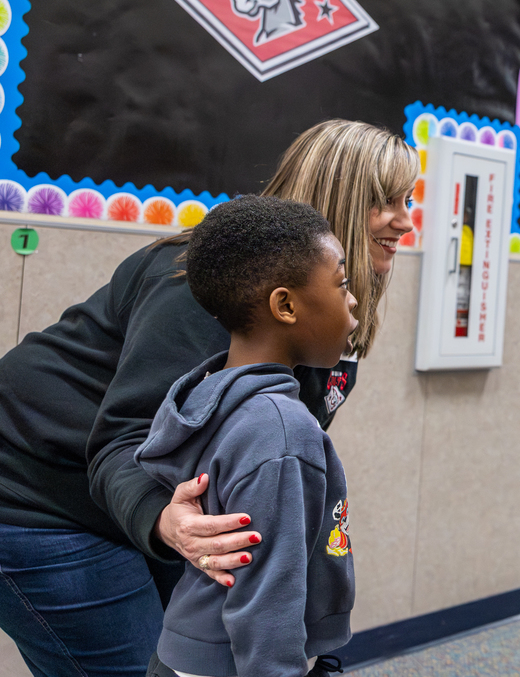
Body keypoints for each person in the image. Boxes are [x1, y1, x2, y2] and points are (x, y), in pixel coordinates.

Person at [0, 119, 417, 676]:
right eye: (384, 203)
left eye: (407, 200)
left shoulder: (322, 314)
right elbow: (121, 440)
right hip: (35, 494)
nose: (405, 221)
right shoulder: (207, 293)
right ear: (339, 199)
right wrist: (162, 521)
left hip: (144, 502)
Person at [137, 195, 357, 677]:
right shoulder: (280, 429)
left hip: (190, 650)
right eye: (341, 284)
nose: (353, 299)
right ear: (285, 305)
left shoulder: (213, 395)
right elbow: (267, 597)